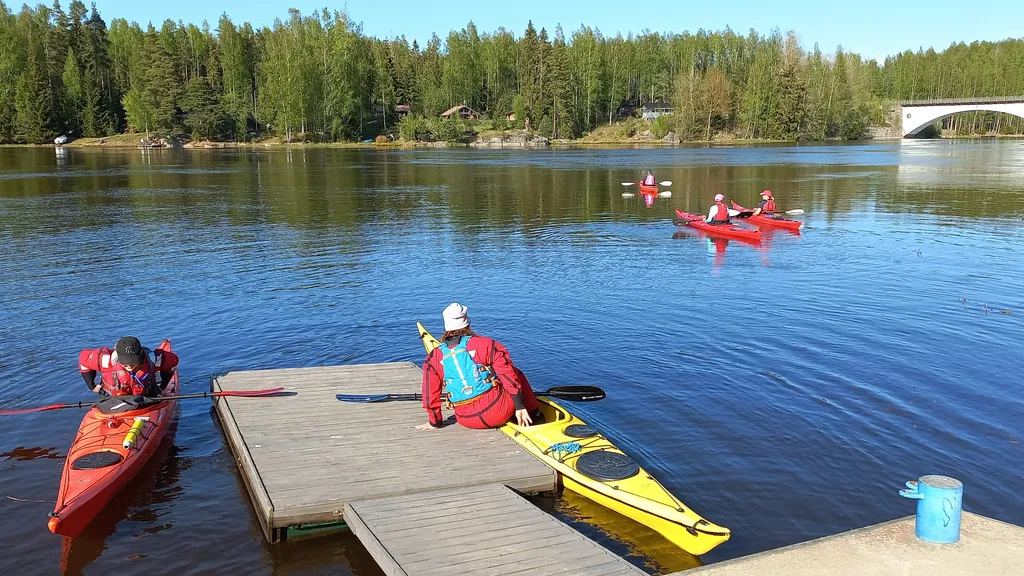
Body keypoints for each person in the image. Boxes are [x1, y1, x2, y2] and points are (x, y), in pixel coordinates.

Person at [417, 303, 539, 431]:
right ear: (467, 322)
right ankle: (535, 415)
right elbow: (508, 376)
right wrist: (520, 406)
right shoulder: (487, 344)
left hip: (465, 419)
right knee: (515, 373)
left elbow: (429, 395)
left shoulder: (433, 358)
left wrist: (435, 423)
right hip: (498, 413)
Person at [78, 336, 178, 398]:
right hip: (112, 399)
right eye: (125, 363)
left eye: (133, 362)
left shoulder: (153, 359)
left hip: (147, 398)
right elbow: (83, 361)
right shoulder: (104, 360)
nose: (129, 366)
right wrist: (92, 386)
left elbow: (172, 362)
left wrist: (163, 385)